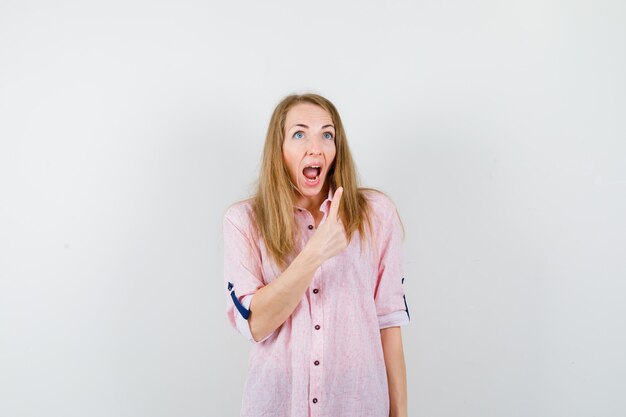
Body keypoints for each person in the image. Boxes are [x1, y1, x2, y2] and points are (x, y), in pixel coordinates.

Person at [223, 93, 410, 417]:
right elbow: (256, 325)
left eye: (327, 134)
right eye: (299, 134)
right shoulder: (244, 222)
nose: (316, 147)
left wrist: (401, 413)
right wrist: (314, 253)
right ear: (278, 150)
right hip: (277, 405)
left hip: (357, 405)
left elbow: (389, 323)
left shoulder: (377, 215)